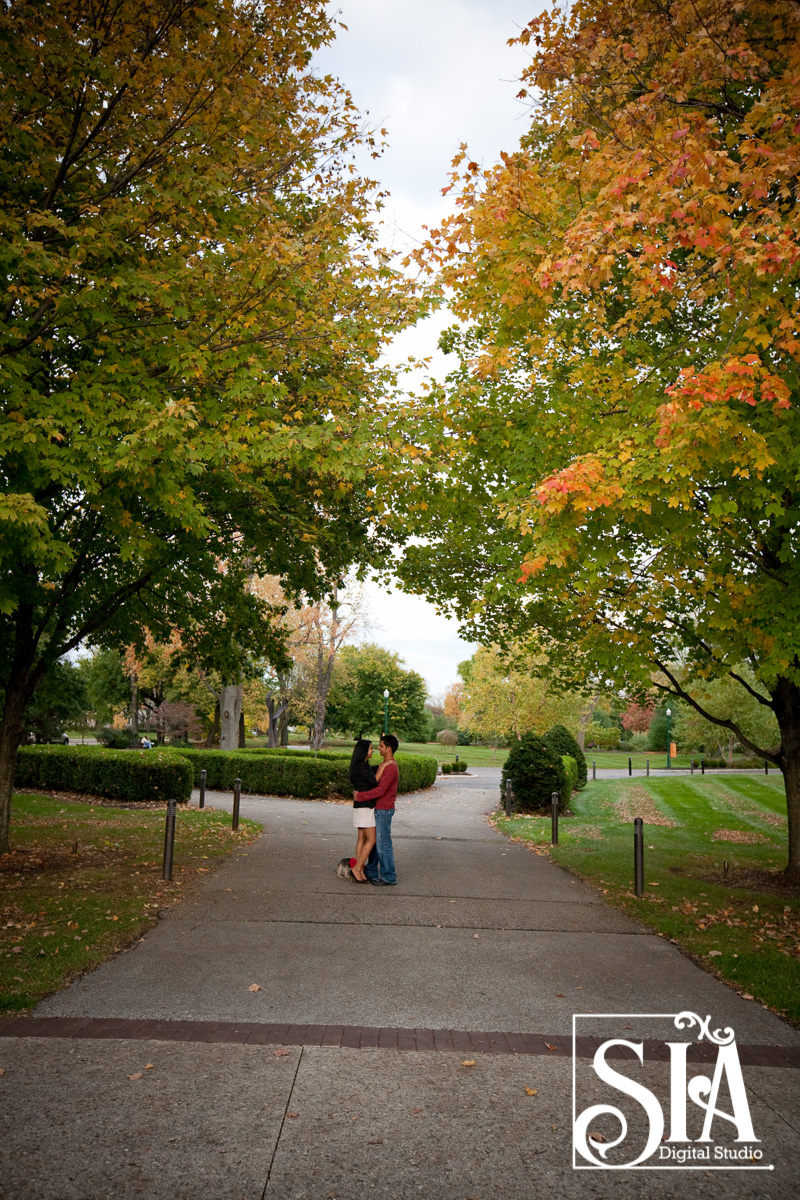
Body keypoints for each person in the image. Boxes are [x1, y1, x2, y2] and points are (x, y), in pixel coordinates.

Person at [357, 734, 399, 887]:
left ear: (388, 748)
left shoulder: (391, 768)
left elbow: (380, 790)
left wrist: (360, 796)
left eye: (381, 746)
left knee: (383, 844)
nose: (378, 748)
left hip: (384, 810)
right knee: (374, 843)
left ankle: (389, 876)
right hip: (378, 809)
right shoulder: (384, 765)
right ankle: (371, 871)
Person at [348, 739, 383, 884]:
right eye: (370, 748)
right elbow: (374, 781)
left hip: (360, 805)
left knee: (362, 839)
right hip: (365, 806)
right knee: (372, 839)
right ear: (364, 751)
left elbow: (372, 771)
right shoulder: (359, 767)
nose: (373, 750)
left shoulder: (361, 766)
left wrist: (382, 765)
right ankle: (357, 869)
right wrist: (385, 766)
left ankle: (360, 869)